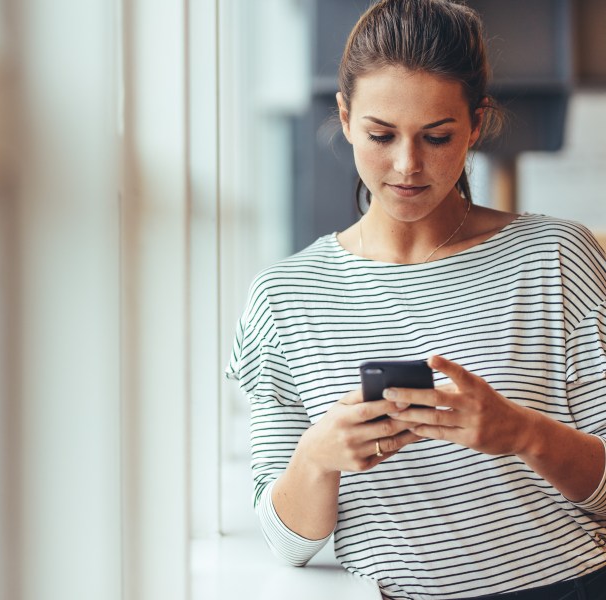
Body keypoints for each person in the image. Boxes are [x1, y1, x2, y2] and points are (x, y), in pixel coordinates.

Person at [226, 1, 606, 598]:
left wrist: (523, 433)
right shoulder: (285, 296)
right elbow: (288, 543)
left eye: (437, 136)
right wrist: (318, 455)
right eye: (381, 135)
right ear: (346, 117)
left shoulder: (556, 256)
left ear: (476, 123)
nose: (407, 165)